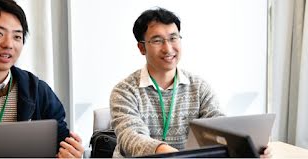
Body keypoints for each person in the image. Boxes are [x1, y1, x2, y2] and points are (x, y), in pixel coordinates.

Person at [110, 7, 271, 158]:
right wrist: (170, 153)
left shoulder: (199, 87)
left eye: (173, 38)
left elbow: (220, 128)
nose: (168, 48)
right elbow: (131, 137)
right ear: (141, 48)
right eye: (157, 40)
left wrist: (249, 149)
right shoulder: (124, 91)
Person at [0, 0, 84, 158]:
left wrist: (70, 154)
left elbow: (60, 143)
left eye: (17, 36)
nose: (8, 44)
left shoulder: (38, 90)